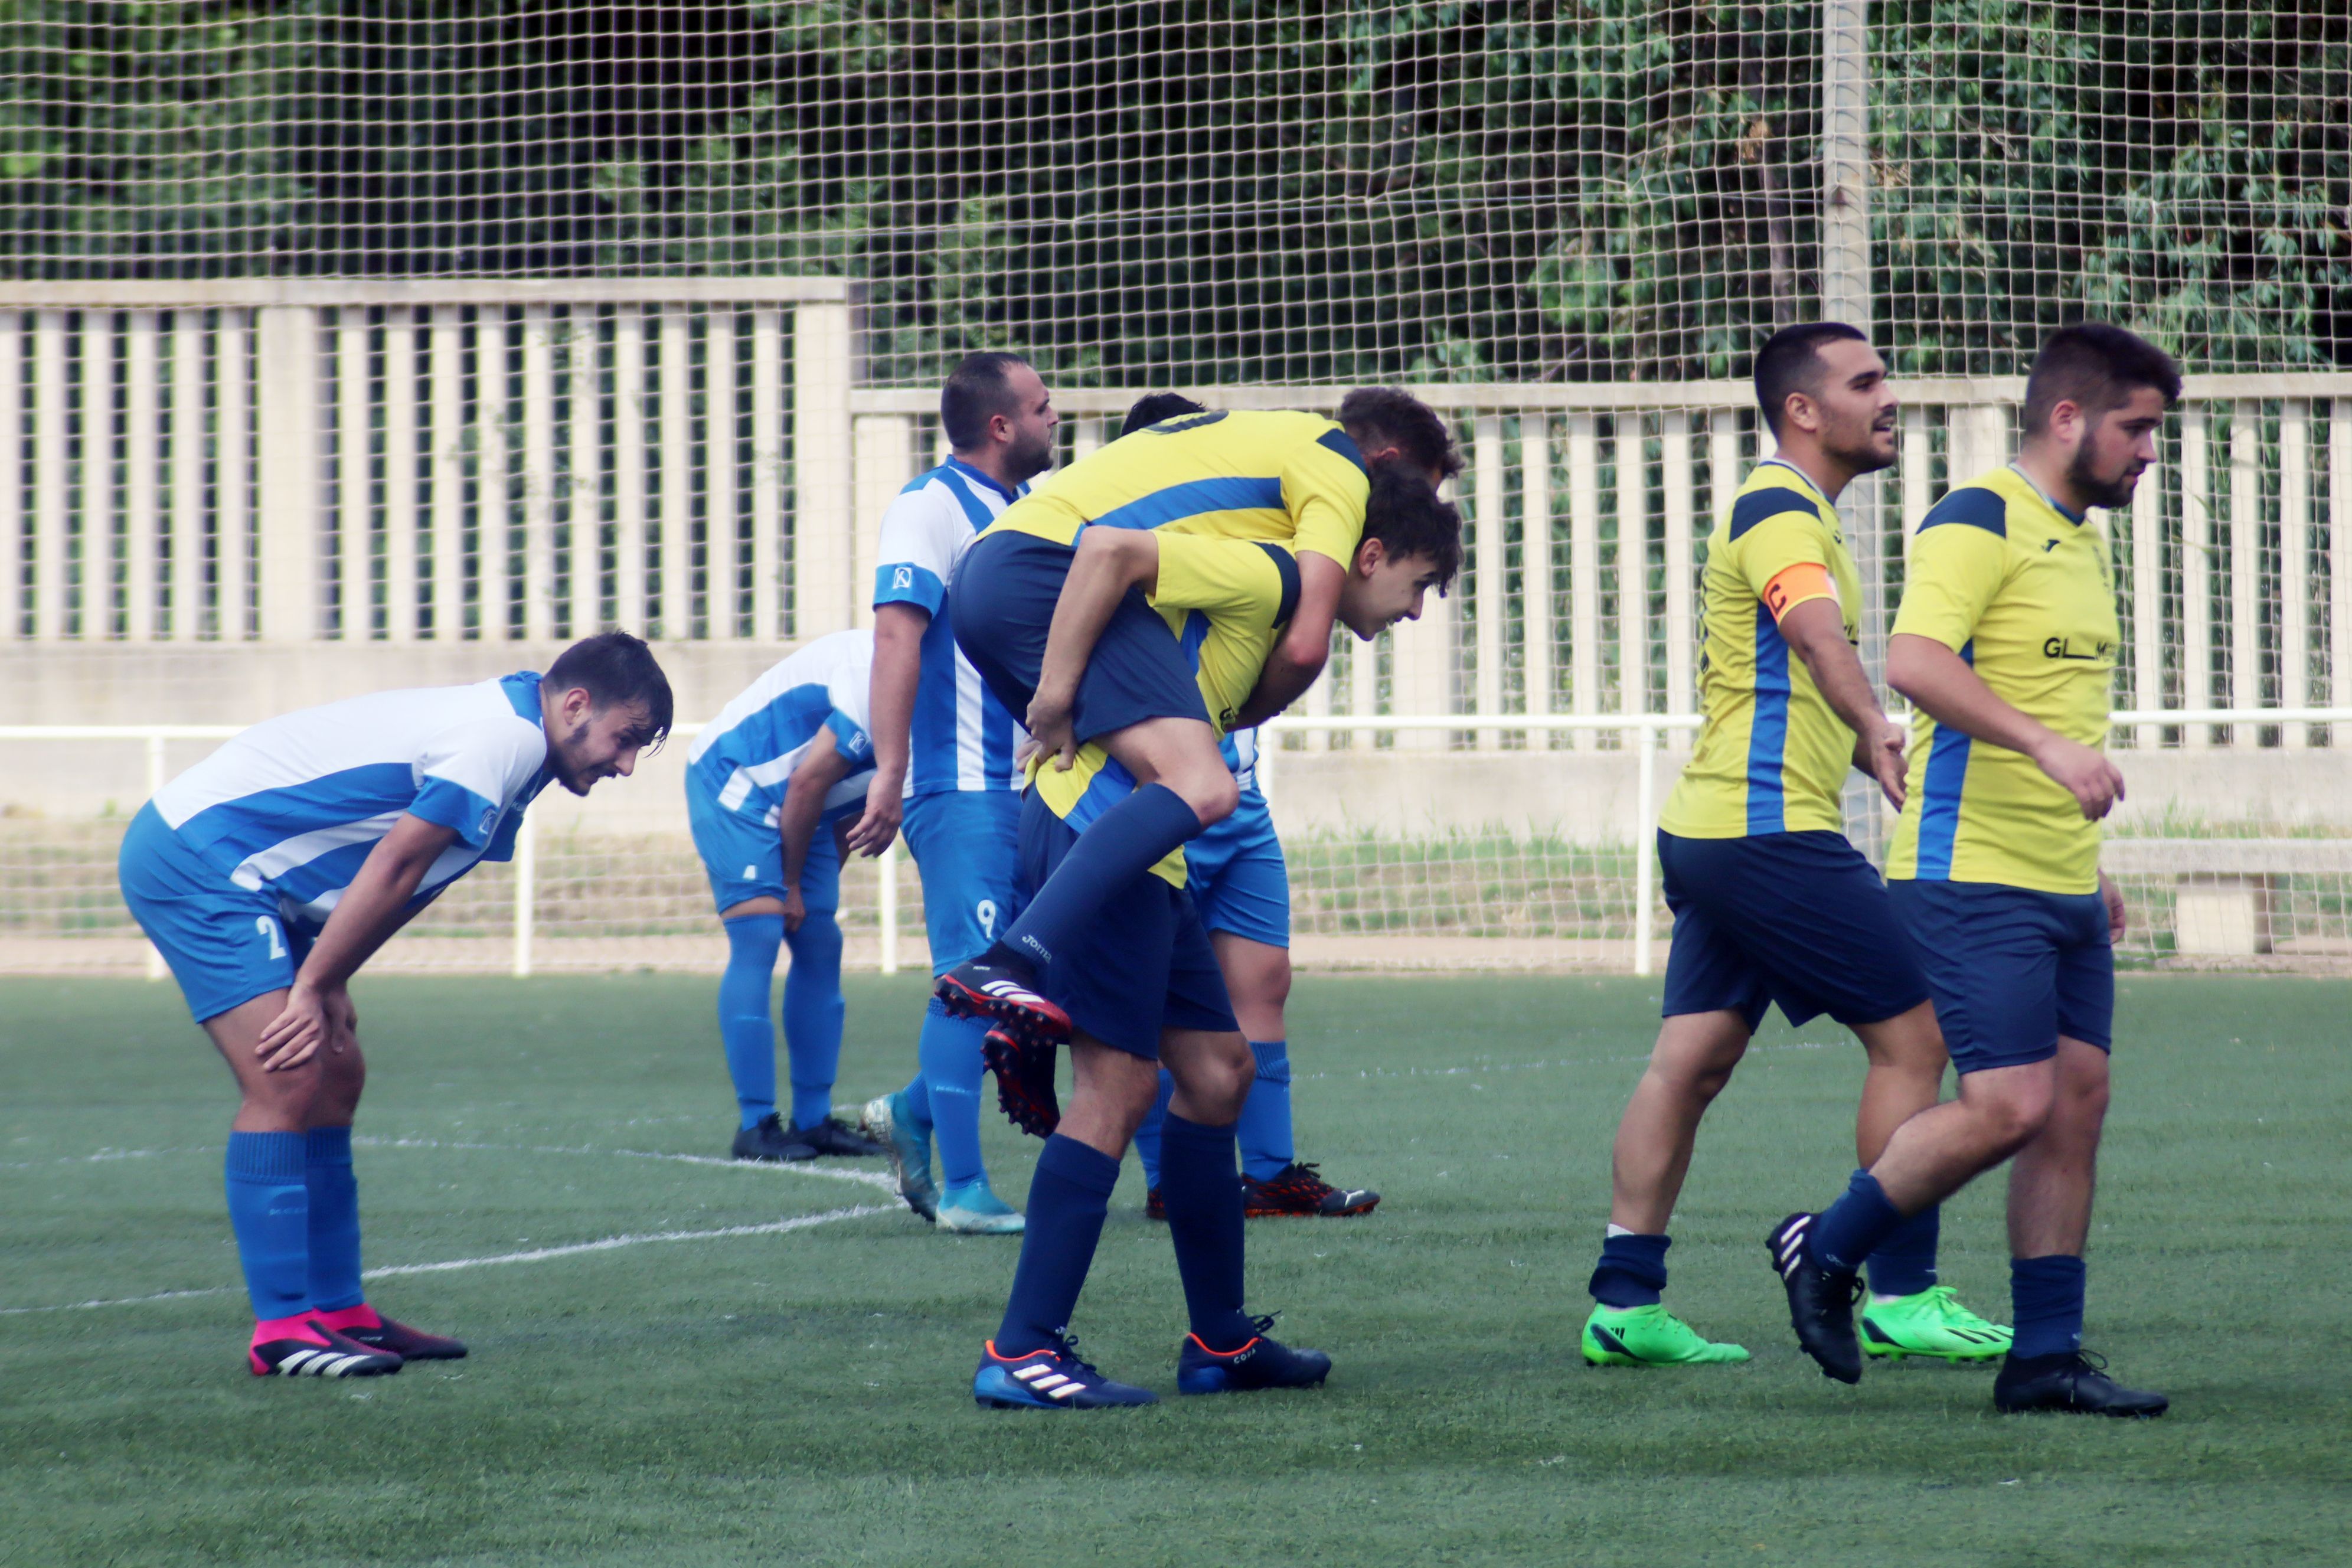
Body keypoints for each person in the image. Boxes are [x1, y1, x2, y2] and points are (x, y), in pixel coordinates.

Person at [967, 468, 1461, 1410]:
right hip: (1096, 834)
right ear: (1368, 554)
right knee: (1118, 1085)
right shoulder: (1268, 573)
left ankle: (1220, 1345)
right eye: (1420, 585)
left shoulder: (1281, 611)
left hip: (1151, 854)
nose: (1416, 612)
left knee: (1219, 1070)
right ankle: (1022, 1348)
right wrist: (1057, 694)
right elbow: (1107, 555)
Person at [1768, 323, 2178, 1417]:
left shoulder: (2081, 541)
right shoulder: (1974, 518)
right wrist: (2042, 749)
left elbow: (2060, 707)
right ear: (2065, 418)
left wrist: (2083, 866)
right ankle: (1824, 1248)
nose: (2147, 451)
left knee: (2071, 1106)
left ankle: (2041, 1358)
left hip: (2057, 882)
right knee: (2004, 1102)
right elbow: (1911, 661)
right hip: (1965, 875)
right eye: (2134, 428)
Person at [1582, 324, 2008, 1368]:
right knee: (1915, 1039)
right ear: (1802, 411)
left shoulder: (1791, 509)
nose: (1888, 396)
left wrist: (1858, 748)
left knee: (1689, 1061)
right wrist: (1871, 725)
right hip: (1765, 831)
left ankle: (1621, 1305)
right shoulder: (1778, 507)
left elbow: (1795, 666)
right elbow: (1815, 638)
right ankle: (1895, 1290)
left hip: (1711, 828)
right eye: (1864, 382)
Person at [118, 632, 672, 1377]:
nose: (627, 763)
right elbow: (397, 860)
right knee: (283, 1076)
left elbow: (419, 877)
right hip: (201, 858)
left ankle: (340, 1311)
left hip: (258, 876)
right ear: (576, 704)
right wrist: (312, 985)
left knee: (338, 1074)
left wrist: (332, 975)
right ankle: (282, 1329)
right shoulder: (502, 738)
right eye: (626, 738)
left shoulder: (527, 746)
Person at [932, 391, 1461, 1051]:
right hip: (1046, 568)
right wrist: (1059, 691)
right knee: (1204, 785)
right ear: (1384, 461)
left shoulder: (1258, 467)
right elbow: (1305, 644)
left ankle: (1026, 1018)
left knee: (1216, 1070)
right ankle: (1010, 961)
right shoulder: (1335, 468)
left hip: (1005, 574)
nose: (1409, 509)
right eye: (1416, 490)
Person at [1111, 395, 1378, 1222]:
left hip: (1242, 802)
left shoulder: (1256, 545)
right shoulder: (1132, 560)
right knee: (1159, 1001)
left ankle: (1271, 1173)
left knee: (1265, 978)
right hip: (1167, 804)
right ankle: (1169, 1181)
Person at [851, 353, 1056, 1234]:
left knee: (1033, 986)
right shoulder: (928, 507)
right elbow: (899, 637)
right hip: (961, 784)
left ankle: (911, 1111)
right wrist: (891, 774)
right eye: (1045, 408)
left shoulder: (1028, 513)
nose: (1058, 420)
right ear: (1002, 425)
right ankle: (966, 1191)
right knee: (972, 985)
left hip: (1030, 788)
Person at [686, 629, 889, 1165]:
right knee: (761, 931)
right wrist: (791, 886)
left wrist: (812, 892)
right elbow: (805, 781)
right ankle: (755, 1125)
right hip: (737, 782)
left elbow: (845, 788)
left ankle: (814, 1121)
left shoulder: (940, 681)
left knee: (821, 941)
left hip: (811, 801)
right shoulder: (878, 683)